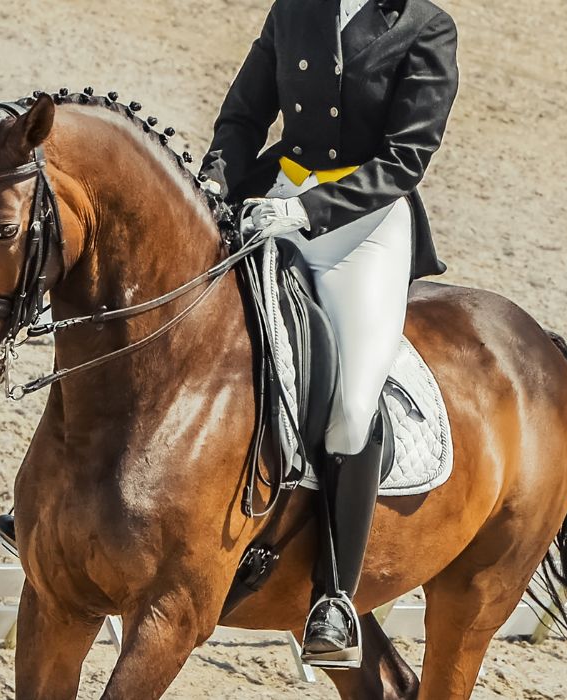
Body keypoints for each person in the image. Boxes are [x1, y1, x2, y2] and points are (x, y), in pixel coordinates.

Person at [200, 0, 459, 667]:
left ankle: (333, 597)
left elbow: (405, 159)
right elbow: (243, 114)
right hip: (269, 200)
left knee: (350, 411)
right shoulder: (297, 9)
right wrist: (216, 184)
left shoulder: (424, 27)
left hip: (360, 232)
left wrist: (307, 210)